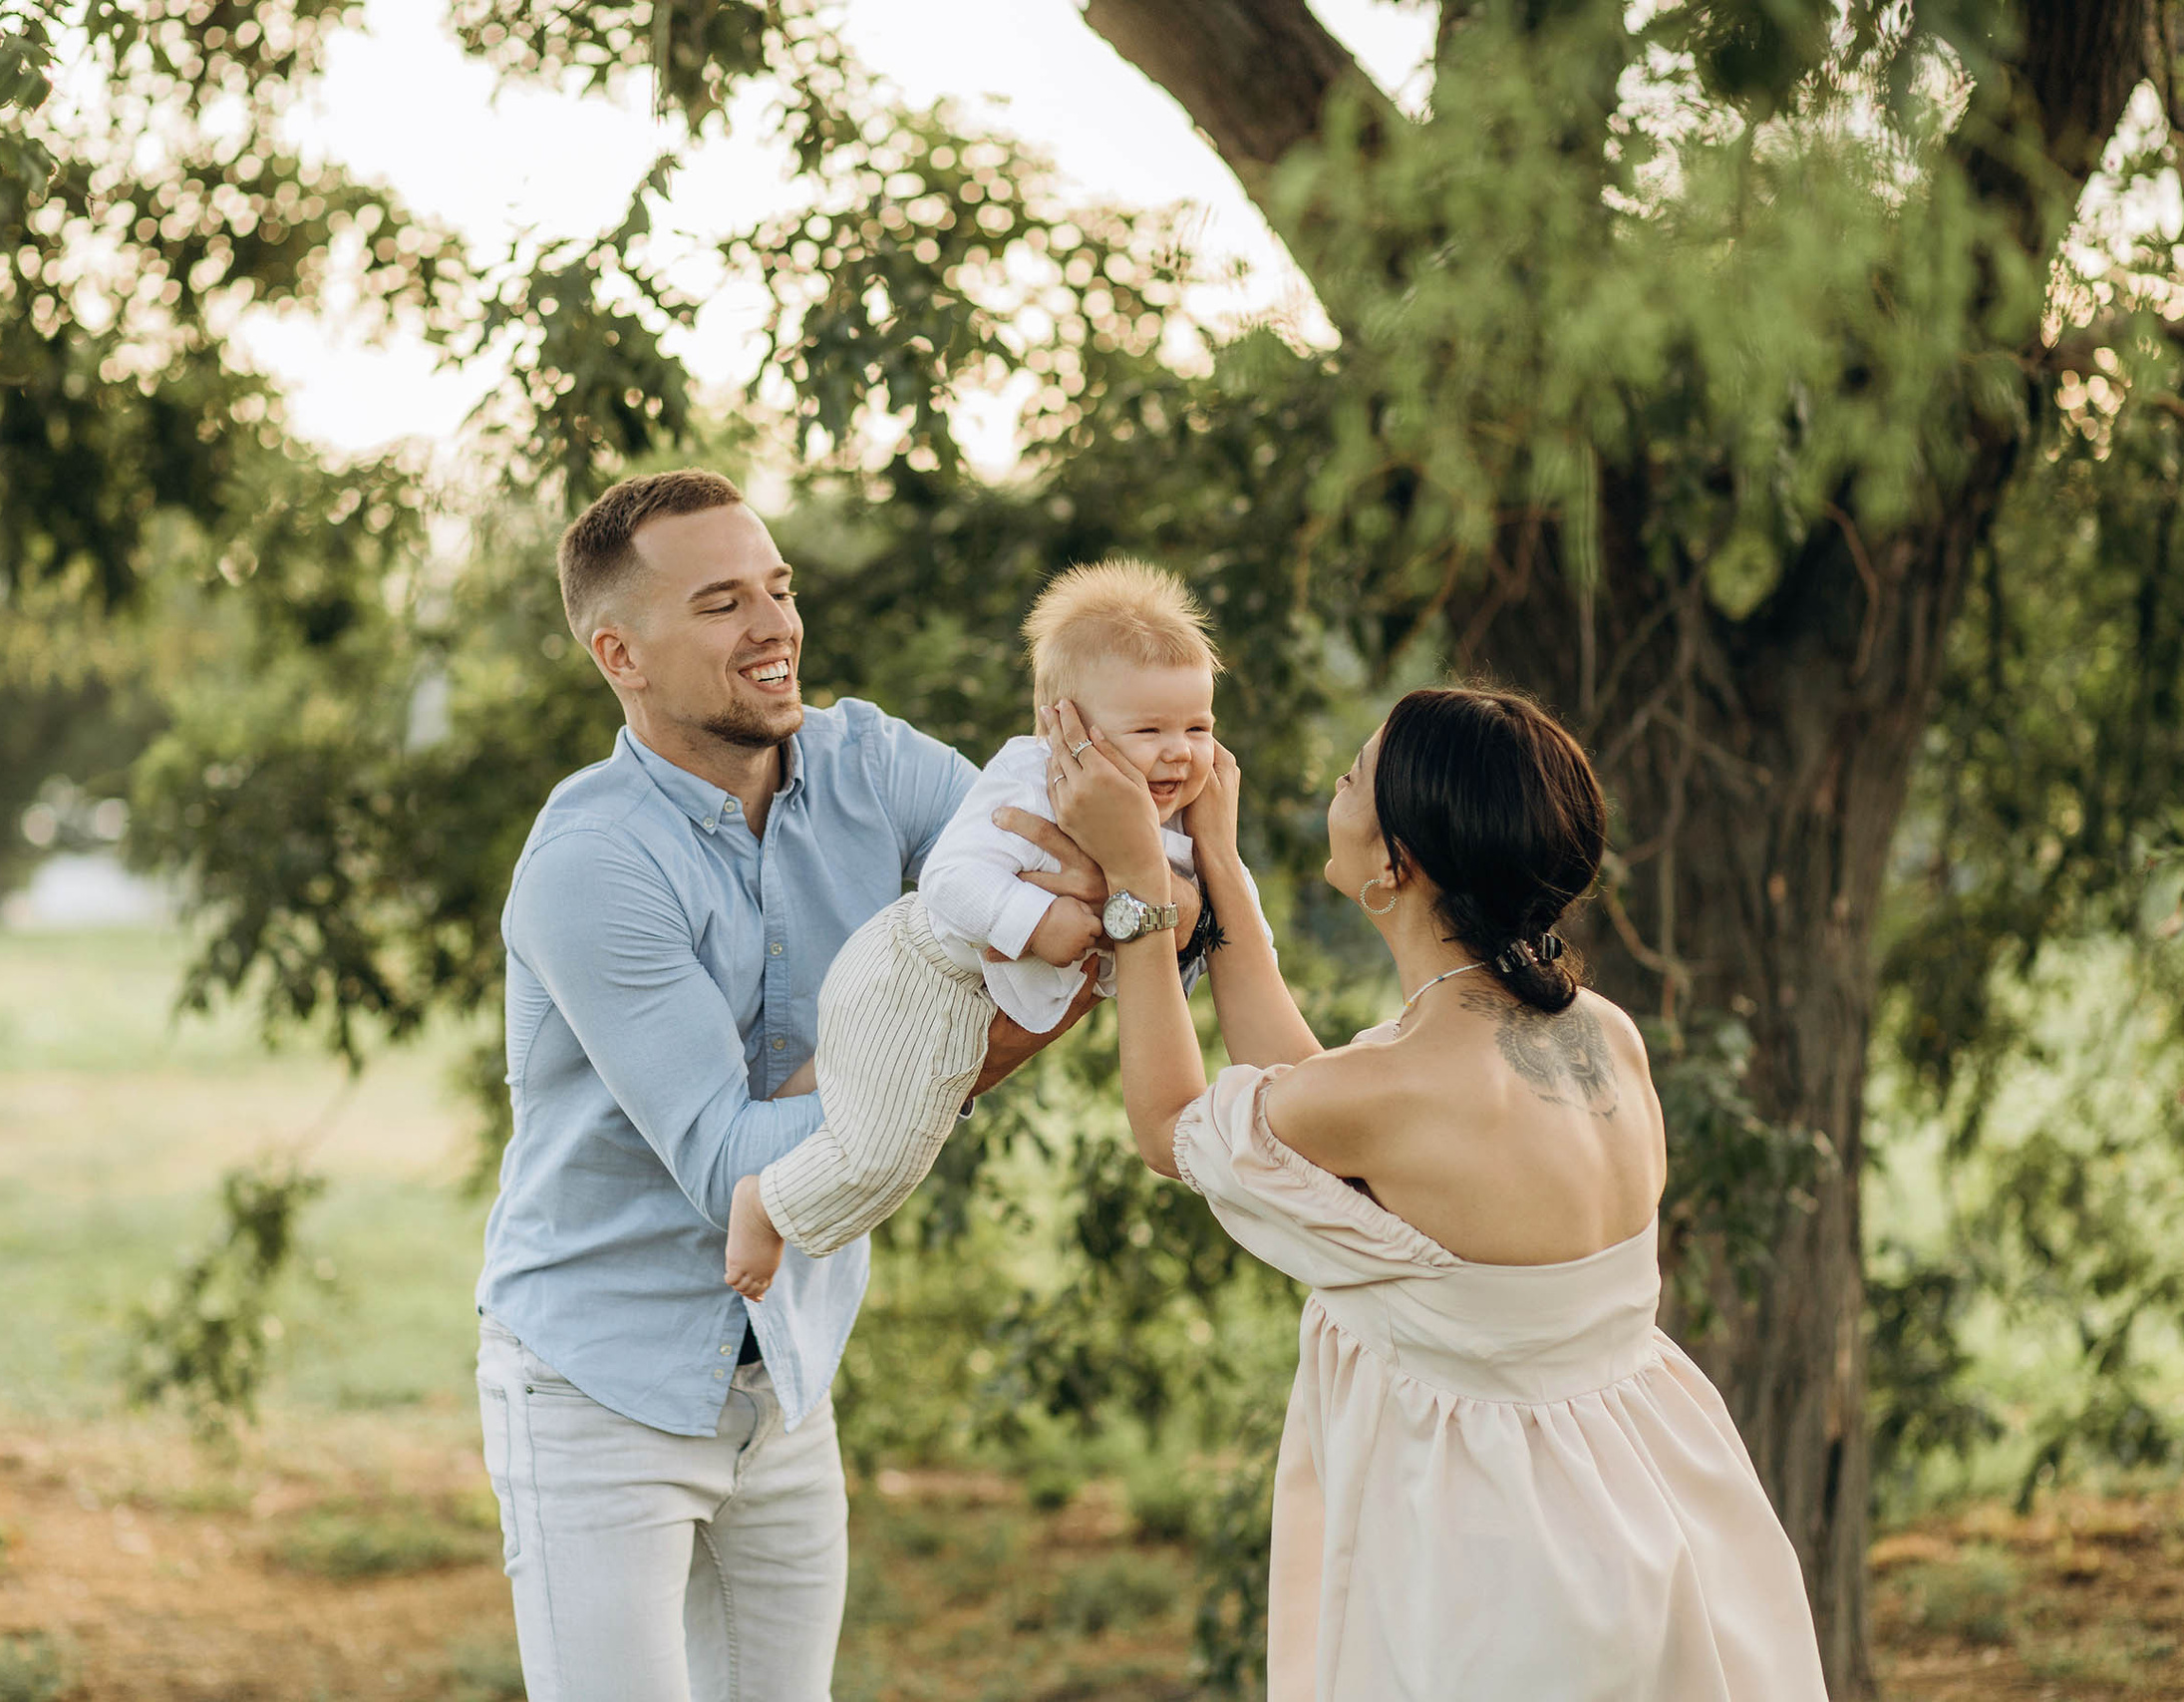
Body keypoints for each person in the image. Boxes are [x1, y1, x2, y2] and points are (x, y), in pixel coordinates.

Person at [475, 470, 1189, 1701]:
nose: (775, 627)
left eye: (779, 587)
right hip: (600, 1384)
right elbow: (733, 1172)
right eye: (721, 604)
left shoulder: (871, 763)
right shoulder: (591, 860)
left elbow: (1071, 878)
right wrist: (962, 1037)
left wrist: (1141, 857)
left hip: (788, 1371)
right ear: (619, 653)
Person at [1045, 684, 1829, 1701]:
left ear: (1393, 863)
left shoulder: (1395, 1088)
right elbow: (1318, 1121)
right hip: (1655, 1498)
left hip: (1500, 1550)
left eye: (1357, 772)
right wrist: (1221, 869)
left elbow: (1172, 1129)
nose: (1340, 775)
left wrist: (1139, 885)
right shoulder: (1598, 1033)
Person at [723, 558, 1231, 1300]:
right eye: (1150, 728)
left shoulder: (1177, 809)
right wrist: (1037, 919)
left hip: (957, 998)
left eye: (1198, 726)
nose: (1180, 751)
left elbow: (1221, 916)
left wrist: (1190, 888)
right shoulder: (1028, 780)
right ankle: (762, 1204)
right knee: (885, 1155)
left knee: (844, 1102)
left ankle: (783, 1123)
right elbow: (951, 878)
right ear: (1066, 730)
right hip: (917, 979)